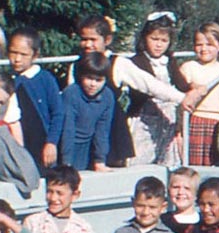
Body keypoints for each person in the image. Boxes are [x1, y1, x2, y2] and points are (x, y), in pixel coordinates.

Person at [72, 14, 191, 167]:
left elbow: (148, 83)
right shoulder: (75, 66)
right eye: (84, 39)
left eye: (93, 40)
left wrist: (181, 98)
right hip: (82, 130)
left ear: (107, 40)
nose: (88, 44)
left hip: (110, 129)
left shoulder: (117, 63)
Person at [126, 11, 191, 166]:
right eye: (154, 39)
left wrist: (193, 88)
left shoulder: (168, 62)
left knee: (167, 157)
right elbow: (145, 89)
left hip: (167, 117)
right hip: (144, 117)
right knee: (140, 156)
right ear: (145, 38)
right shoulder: (137, 61)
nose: (158, 44)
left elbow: (181, 84)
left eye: (164, 40)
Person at [7, 27, 63, 171]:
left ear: (35, 55)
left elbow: (58, 113)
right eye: (13, 52)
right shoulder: (6, 80)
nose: (17, 59)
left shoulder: (45, 79)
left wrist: (51, 142)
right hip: (18, 143)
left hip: (41, 144)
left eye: (23, 54)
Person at [180, 23, 219, 166]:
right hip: (196, 121)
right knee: (194, 165)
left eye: (209, 44)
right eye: (199, 44)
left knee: (217, 164)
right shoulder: (189, 67)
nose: (204, 49)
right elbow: (181, 94)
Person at [59, 53, 114, 170]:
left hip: (87, 146)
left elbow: (103, 130)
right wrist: (66, 162)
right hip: (66, 144)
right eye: (89, 78)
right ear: (81, 76)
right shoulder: (71, 93)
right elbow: (67, 129)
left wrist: (100, 159)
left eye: (98, 80)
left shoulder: (107, 96)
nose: (93, 84)